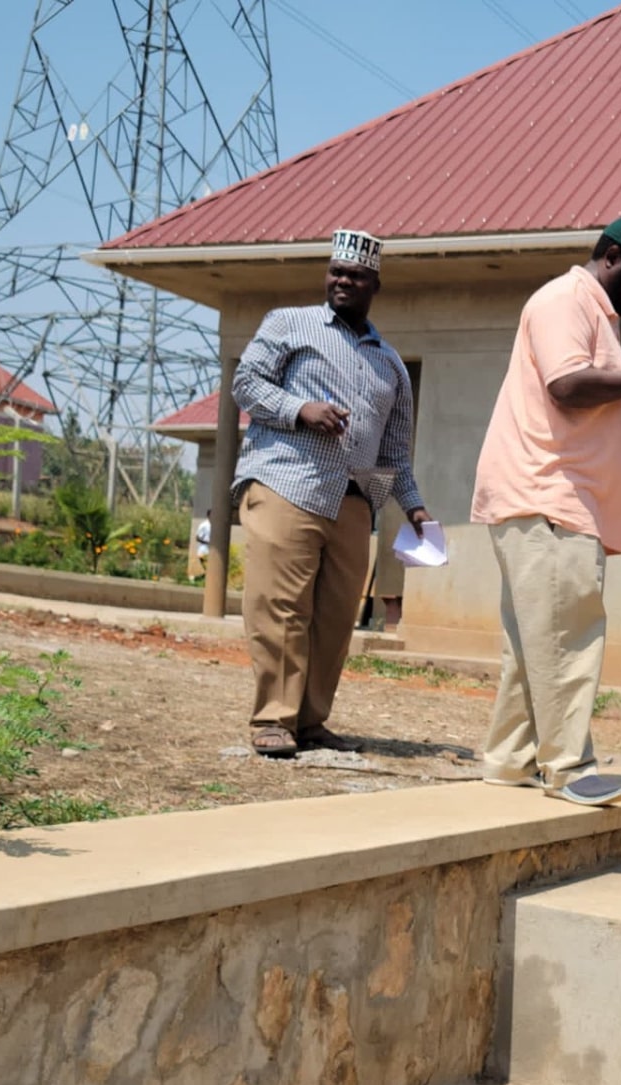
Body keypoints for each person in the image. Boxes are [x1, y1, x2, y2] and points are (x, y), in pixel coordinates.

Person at [470, 216, 621, 806]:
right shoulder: (566, 300)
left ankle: (511, 759)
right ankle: (570, 768)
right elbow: (567, 386)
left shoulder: (593, 312)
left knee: (534, 643)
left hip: (551, 499)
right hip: (550, 496)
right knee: (567, 639)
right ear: (612, 257)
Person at [230, 228, 429, 758]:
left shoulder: (390, 364)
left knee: (336, 619)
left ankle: (310, 721)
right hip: (286, 483)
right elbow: (245, 384)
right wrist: (300, 409)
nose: (342, 281)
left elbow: (395, 450)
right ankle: (274, 718)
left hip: (353, 501)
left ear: (375, 285)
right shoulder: (288, 323)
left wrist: (414, 506)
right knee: (281, 608)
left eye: (355, 276)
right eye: (336, 272)